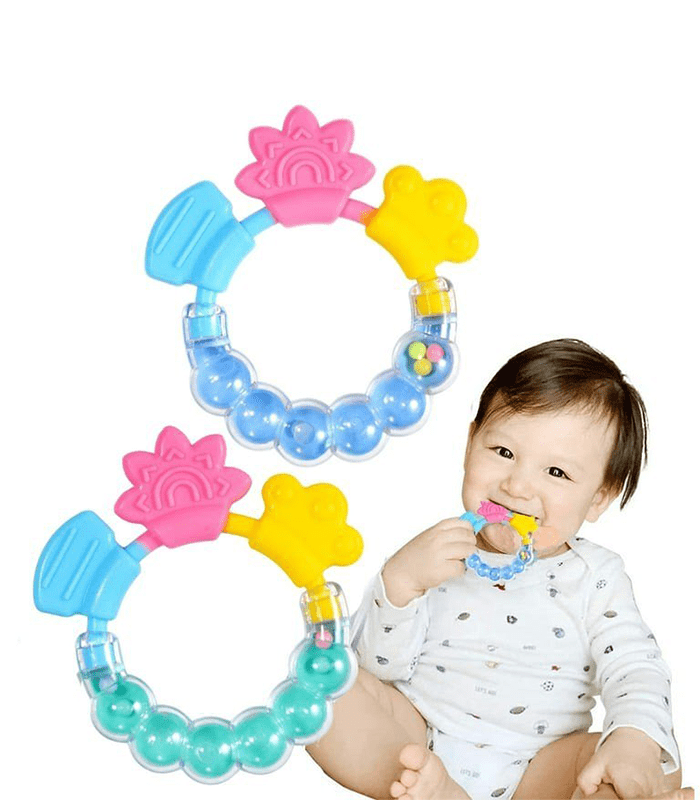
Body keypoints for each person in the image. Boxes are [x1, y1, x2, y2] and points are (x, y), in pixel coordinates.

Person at [307, 339, 691, 800]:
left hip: (542, 772)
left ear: (599, 497)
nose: (517, 486)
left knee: (645, 766)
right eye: (503, 452)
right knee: (325, 687)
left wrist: (632, 738)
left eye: (556, 473)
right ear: (471, 442)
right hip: (416, 743)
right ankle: (437, 790)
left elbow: (635, 666)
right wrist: (400, 584)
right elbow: (379, 670)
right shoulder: (438, 551)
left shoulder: (597, 576)